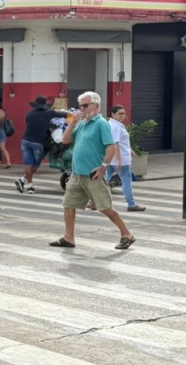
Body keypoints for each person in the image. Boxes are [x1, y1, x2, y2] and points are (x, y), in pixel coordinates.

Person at [49, 92, 137, 250]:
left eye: (85, 105)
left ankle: (126, 234)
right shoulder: (82, 123)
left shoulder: (101, 123)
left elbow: (111, 146)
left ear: (96, 106)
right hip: (77, 173)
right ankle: (69, 237)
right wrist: (72, 123)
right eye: (80, 106)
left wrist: (104, 166)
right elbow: (65, 140)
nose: (81, 109)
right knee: (69, 205)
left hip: (93, 174)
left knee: (104, 207)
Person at [15, 96, 63, 194]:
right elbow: (63, 114)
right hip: (38, 142)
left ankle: (26, 183)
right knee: (36, 164)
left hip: (26, 141)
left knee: (28, 164)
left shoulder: (29, 114)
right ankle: (28, 185)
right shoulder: (48, 113)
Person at [108, 105, 145, 212]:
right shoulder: (115, 126)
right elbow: (115, 144)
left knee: (104, 179)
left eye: (123, 113)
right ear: (113, 114)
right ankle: (131, 204)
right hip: (120, 159)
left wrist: (130, 150)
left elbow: (122, 143)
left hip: (115, 158)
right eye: (120, 114)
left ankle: (93, 201)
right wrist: (119, 160)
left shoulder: (116, 125)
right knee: (126, 180)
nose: (122, 116)